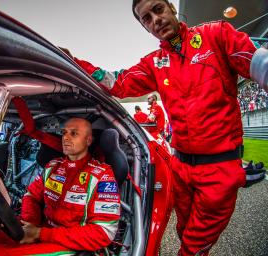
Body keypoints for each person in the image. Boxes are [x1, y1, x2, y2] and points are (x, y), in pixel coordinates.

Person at [60, 0, 264, 255]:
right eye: (146, 18)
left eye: (158, 9)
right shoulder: (154, 63)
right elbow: (118, 83)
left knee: (194, 245)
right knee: (183, 230)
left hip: (218, 171)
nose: (155, 20)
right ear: (146, 27)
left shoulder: (216, 34)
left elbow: (257, 61)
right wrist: (74, 62)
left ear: (171, 8)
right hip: (180, 168)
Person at [0, 118, 120, 255]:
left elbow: (104, 232)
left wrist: (40, 234)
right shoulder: (53, 166)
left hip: (73, 244)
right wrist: (30, 223)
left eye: (73, 134)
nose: (65, 138)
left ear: (88, 140)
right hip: (43, 232)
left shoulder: (102, 175)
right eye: (64, 133)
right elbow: (31, 195)